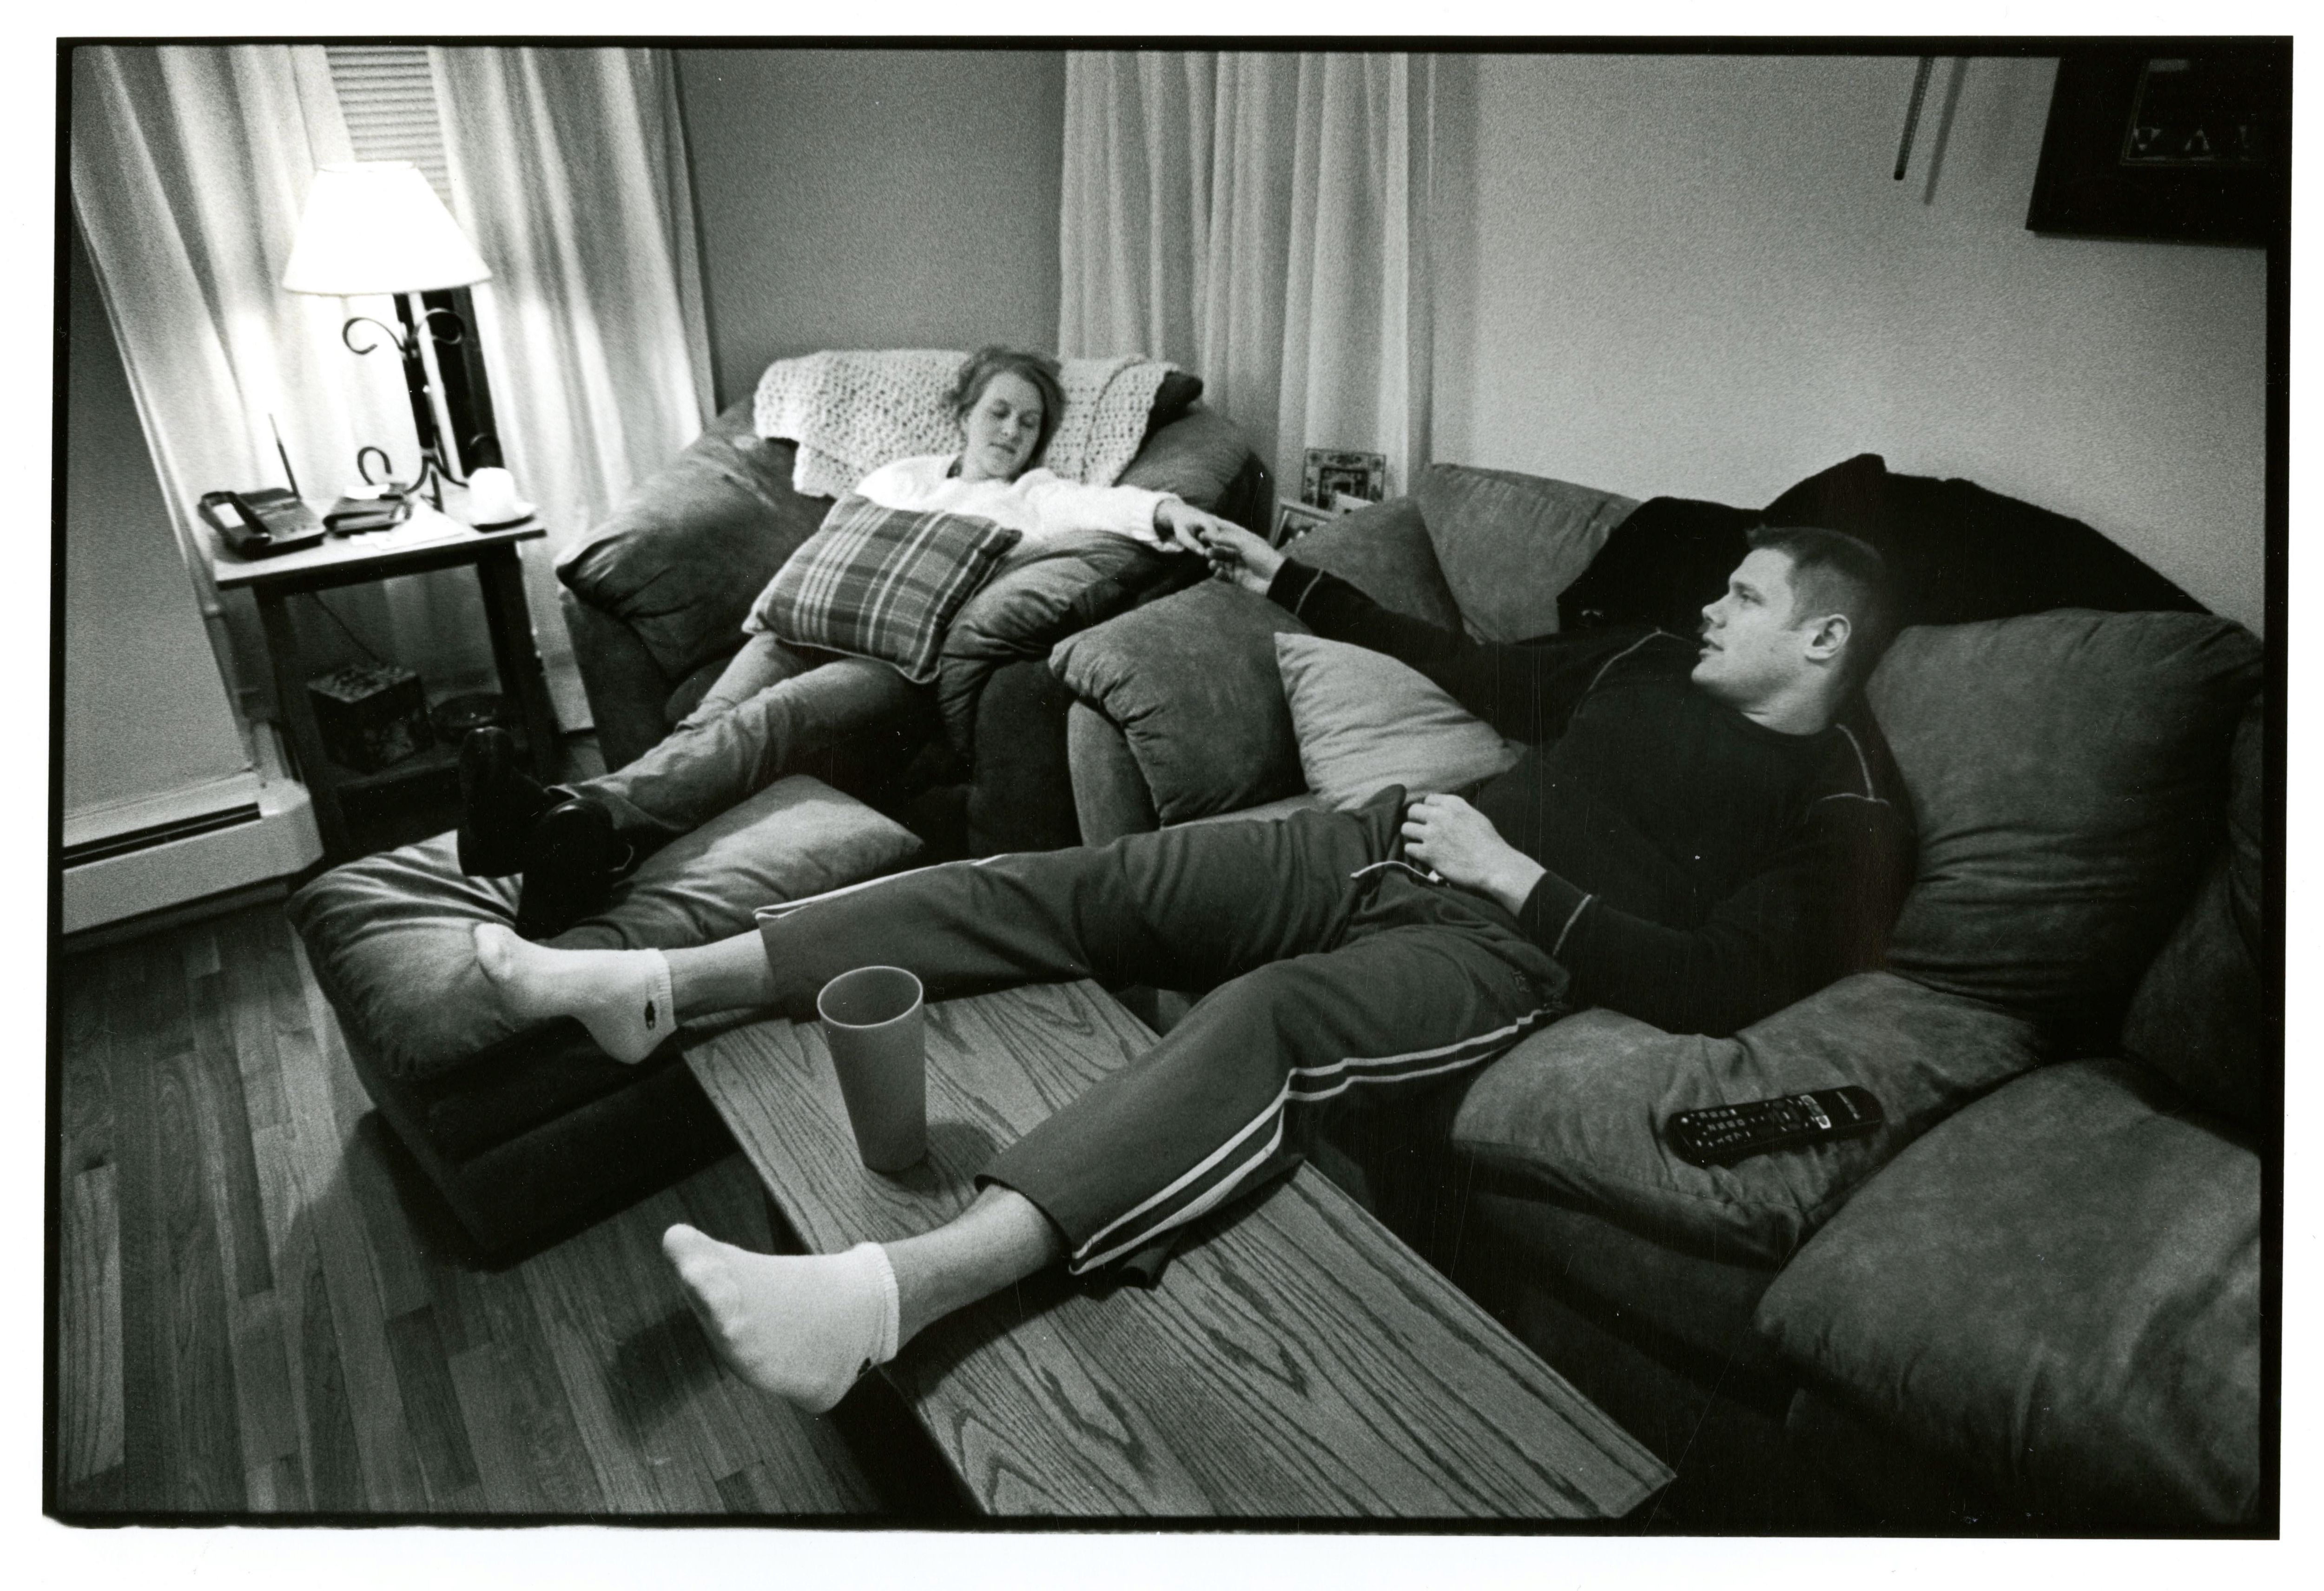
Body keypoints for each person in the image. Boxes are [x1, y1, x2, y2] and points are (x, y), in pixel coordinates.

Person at [471, 519, 1915, 1413]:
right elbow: (1453, 659)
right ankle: (662, 988)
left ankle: (887, 1297)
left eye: (1745, 596)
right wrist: (1274, 570)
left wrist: (1512, 877)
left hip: (1496, 946)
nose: (1713, 608)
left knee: (1266, 1016)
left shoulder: (1842, 803)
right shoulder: (1646, 661)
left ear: (1825, 635)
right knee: (1072, 881)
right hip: (1378, 838)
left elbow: (1721, 986)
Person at [458, 345, 1241, 936]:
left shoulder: (1036, 496)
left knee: (771, 718)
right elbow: (831, 543)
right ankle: (582, 853)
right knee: (708, 724)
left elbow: (1115, 510)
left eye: (1030, 422)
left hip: (893, 662)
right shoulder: (900, 475)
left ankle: (560, 815)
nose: (1012, 431)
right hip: (800, 627)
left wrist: (1174, 513)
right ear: (965, 413)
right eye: (999, 412)